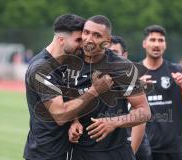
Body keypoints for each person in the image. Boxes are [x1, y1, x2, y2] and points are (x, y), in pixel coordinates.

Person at [23, 14, 114, 160]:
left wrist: (75, 120)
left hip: (66, 150)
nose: (82, 44)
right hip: (46, 153)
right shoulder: (42, 68)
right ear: (61, 40)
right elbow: (60, 114)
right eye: (78, 40)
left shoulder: (67, 62)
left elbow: (69, 95)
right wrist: (94, 91)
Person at [68, 15, 151, 160]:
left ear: (107, 41)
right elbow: (67, 98)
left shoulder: (122, 67)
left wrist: (114, 122)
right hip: (80, 152)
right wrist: (73, 121)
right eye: (86, 32)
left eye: (96, 35)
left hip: (114, 153)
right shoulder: (71, 62)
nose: (89, 39)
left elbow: (144, 111)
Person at [139, 24, 182, 160]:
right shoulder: (135, 72)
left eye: (161, 40)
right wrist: (137, 88)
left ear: (165, 44)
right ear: (144, 43)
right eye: (152, 40)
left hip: (173, 149)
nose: (157, 44)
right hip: (144, 148)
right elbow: (123, 108)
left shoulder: (176, 70)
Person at [109, 35, 152, 160]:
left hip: (133, 151)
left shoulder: (130, 82)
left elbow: (141, 121)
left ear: (125, 55)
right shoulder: (100, 82)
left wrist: (130, 154)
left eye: (115, 53)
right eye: (108, 52)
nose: (110, 56)